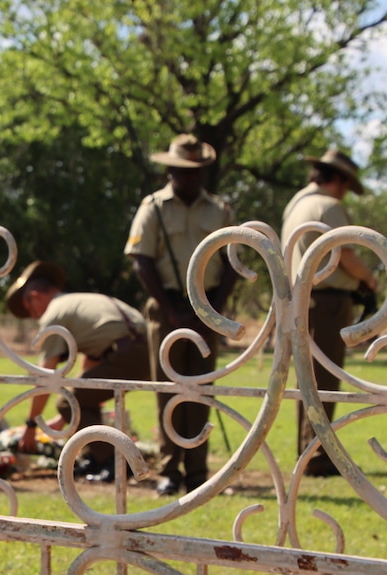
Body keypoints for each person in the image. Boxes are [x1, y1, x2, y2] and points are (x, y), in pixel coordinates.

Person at [124, 134, 237, 496]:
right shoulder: (153, 207)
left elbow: (233, 262)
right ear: (170, 171)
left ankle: (198, 471)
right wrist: (171, 309)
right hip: (166, 305)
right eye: (183, 172)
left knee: (201, 390)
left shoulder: (219, 210)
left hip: (206, 305)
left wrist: (212, 308)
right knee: (169, 391)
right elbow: (141, 261)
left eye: (196, 172)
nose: (189, 178)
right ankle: (170, 469)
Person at [6, 260, 150, 482]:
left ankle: (114, 462)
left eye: (31, 310)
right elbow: (90, 367)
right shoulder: (77, 301)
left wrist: (31, 425)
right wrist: (63, 418)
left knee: (66, 401)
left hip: (126, 354)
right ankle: (96, 457)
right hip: (142, 350)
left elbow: (45, 377)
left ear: (34, 295)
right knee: (75, 401)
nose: (35, 317)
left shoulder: (53, 314)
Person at [281, 149, 378, 477]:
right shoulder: (329, 206)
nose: (345, 192)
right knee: (324, 381)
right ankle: (318, 456)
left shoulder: (296, 203)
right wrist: (369, 279)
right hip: (328, 301)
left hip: (299, 300)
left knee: (307, 380)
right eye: (346, 185)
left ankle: (308, 450)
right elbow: (345, 253)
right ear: (337, 178)